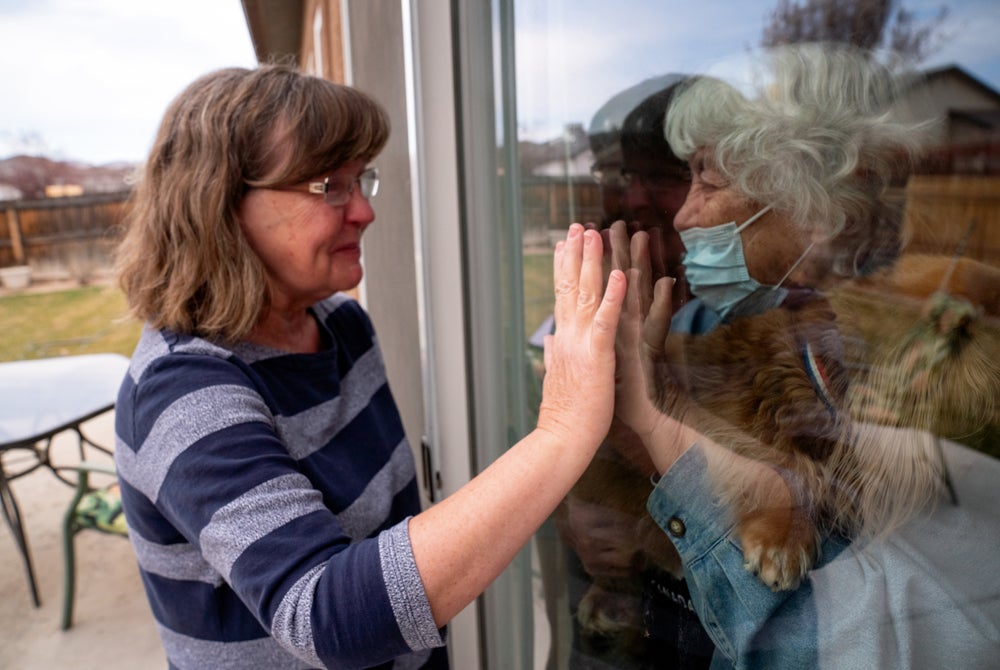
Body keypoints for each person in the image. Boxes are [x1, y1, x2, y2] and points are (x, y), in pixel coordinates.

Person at [112, 64, 625, 670]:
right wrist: (563, 431)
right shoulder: (183, 394)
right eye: (329, 185)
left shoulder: (340, 325)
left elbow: (391, 538)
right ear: (220, 203)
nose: (363, 212)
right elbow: (326, 617)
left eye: (361, 181)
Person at [611, 44, 1000, 668]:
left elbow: (865, 641)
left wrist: (659, 426)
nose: (682, 212)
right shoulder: (709, 320)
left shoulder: (937, 366)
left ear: (813, 200)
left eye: (708, 178)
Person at [544, 74, 715, 670]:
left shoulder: (746, 314)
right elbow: (547, 436)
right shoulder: (593, 295)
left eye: (663, 177)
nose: (636, 197)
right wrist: (574, 516)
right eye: (623, 176)